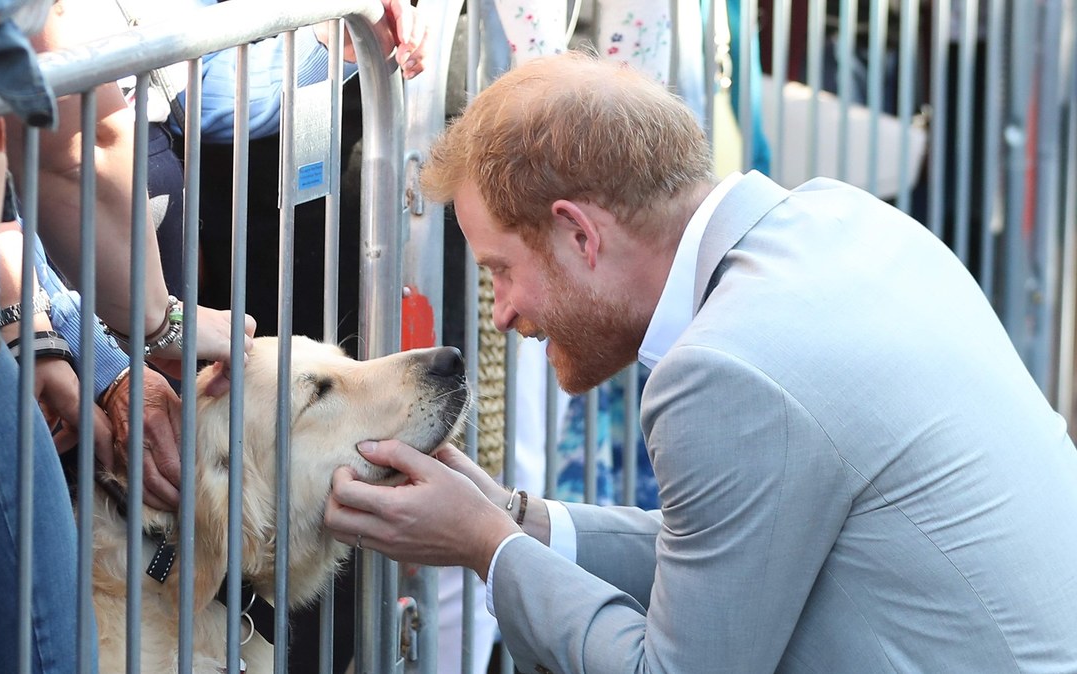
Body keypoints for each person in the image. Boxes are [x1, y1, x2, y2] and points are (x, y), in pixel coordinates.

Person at [323, 50, 1077, 673]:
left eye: (500, 270)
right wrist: (517, 517)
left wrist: (490, 548)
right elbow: (727, 556)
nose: (502, 313)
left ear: (579, 235)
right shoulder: (843, 219)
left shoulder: (726, 366)